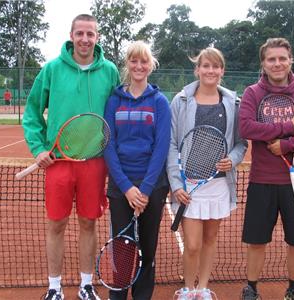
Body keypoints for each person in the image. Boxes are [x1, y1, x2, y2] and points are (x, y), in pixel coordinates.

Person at [22, 14, 120, 300]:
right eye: (80, 33)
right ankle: (54, 288)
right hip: (58, 163)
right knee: (56, 224)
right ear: (71, 35)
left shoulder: (110, 71)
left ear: (97, 37)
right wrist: (39, 148)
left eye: (90, 34)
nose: (85, 39)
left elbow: (116, 113)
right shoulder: (52, 69)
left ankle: (86, 286)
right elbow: (32, 113)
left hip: (94, 162)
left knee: (89, 223)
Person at [239, 37, 294, 300]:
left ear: (290, 62)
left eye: (282, 59)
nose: (277, 64)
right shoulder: (253, 93)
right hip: (262, 181)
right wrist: (287, 127)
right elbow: (246, 127)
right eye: (271, 59)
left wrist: (286, 146)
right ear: (263, 64)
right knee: (256, 240)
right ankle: (251, 288)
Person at [167, 47, 247, 300]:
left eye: (215, 66)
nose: (210, 70)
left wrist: (231, 160)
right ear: (197, 69)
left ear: (222, 71)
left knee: (210, 240)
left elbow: (241, 143)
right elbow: (170, 143)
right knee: (192, 244)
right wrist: (176, 183)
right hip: (188, 185)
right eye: (205, 66)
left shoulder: (234, 103)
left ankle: (202, 289)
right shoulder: (180, 101)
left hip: (218, 185)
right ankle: (187, 289)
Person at [103, 40, 171, 300]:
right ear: (127, 64)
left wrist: (143, 190)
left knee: (148, 247)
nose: (139, 66)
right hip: (121, 188)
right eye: (134, 60)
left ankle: (142, 295)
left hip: (152, 187)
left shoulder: (160, 102)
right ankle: (118, 295)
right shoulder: (114, 101)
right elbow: (108, 145)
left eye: (144, 61)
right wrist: (127, 188)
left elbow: (161, 148)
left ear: (150, 65)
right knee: (123, 247)